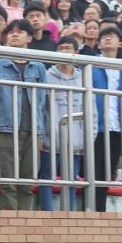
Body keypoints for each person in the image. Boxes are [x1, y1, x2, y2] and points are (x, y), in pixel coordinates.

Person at [0, 19, 48, 210]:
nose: (15, 35)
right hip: (6, 129)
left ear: (29, 38)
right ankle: (10, 220)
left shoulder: (38, 67)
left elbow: (42, 100)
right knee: (8, 180)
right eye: (11, 32)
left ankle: (25, 220)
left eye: (20, 32)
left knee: (27, 181)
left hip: (34, 130)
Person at [39, 35, 93, 211]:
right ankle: (47, 215)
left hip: (75, 141)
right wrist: (41, 136)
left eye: (68, 48)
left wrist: (89, 139)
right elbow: (40, 108)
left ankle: (69, 215)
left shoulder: (83, 78)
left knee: (71, 180)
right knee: (47, 178)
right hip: (50, 140)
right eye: (61, 48)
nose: (64, 51)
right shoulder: (47, 76)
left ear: (76, 52)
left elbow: (92, 112)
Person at [91, 27, 122, 212]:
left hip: (117, 126)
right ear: (98, 43)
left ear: (120, 43)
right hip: (96, 126)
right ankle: (89, 209)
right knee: (93, 171)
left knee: (107, 172)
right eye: (104, 37)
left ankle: (100, 211)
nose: (107, 39)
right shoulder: (91, 64)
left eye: (112, 36)